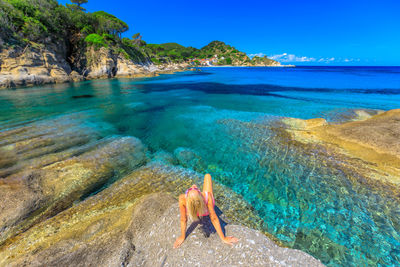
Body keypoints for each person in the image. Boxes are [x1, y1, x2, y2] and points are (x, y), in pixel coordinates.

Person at [173, 173, 239, 248]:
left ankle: (193, 211)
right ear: (200, 196)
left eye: (192, 189)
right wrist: (223, 238)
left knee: (188, 210)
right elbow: (213, 218)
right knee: (207, 176)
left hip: (193, 212)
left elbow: (183, 219)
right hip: (205, 212)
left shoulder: (182, 198)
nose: (193, 186)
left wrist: (182, 236)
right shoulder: (207, 197)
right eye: (194, 189)